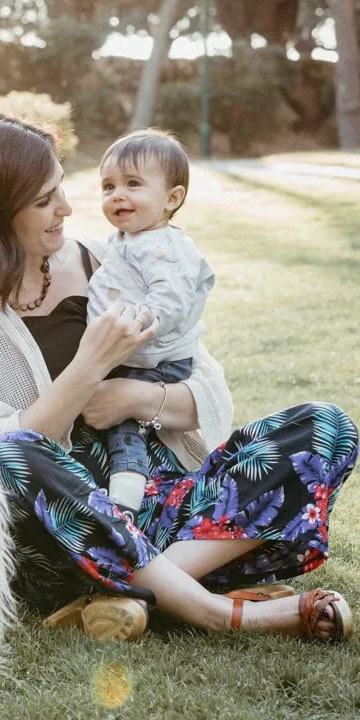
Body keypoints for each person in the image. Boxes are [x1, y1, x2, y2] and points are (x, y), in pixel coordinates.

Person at [0, 105, 358, 643]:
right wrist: (90, 363)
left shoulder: (113, 260)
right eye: (44, 200)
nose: (67, 208)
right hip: (65, 537)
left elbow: (208, 390)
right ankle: (214, 610)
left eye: (61, 187)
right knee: (7, 451)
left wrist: (132, 397)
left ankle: (132, 595)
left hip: (163, 506)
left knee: (326, 427)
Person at [87, 128, 215, 523]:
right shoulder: (129, 239)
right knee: (114, 419)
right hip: (135, 353)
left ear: (171, 199)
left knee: (124, 425)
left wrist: (133, 327)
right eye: (108, 186)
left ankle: (125, 499)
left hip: (151, 358)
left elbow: (171, 298)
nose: (117, 195)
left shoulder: (163, 247)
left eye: (133, 184)